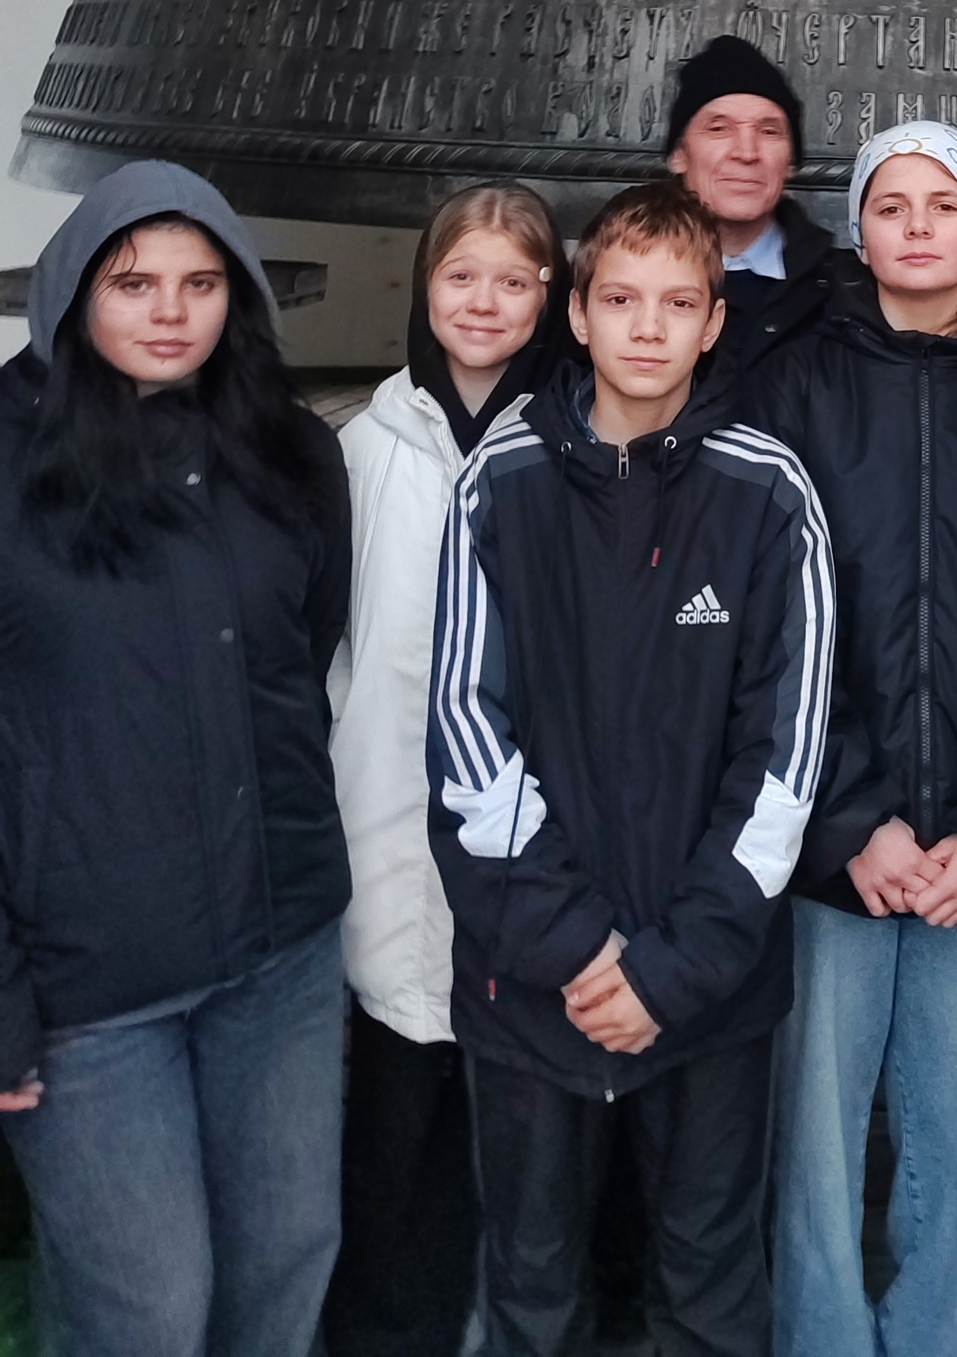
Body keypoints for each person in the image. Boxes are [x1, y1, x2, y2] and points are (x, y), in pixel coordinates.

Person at [427, 178, 834, 1356]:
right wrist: (577, 947)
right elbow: (465, 728)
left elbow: (784, 761)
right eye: (620, 298)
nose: (648, 327)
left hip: (707, 995)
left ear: (714, 322)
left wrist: (672, 965)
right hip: (531, 989)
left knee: (708, 1294)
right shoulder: (498, 481)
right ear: (578, 313)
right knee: (533, 1291)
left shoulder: (771, 493)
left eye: (678, 302)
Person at [750, 120, 957, 1357]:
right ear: (859, 226)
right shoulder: (793, 386)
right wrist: (854, 821)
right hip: (833, 855)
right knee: (813, 1161)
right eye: (890, 205)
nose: (914, 227)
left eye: (941, 204)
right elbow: (775, 627)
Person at [0, 161, 351, 1357]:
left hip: (280, 953)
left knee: (284, 1264)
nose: (169, 310)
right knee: (147, 1309)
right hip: (89, 988)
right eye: (133, 281)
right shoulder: (10, 462)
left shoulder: (289, 452)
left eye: (202, 282)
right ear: (71, 290)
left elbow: (301, 656)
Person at [325, 182, 572, 1357]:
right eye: (461, 274)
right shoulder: (359, 453)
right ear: (424, 285)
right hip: (380, 842)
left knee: (517, 1157)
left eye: (515, 280)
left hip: (529, 863)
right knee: (389, 1140)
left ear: (551, 298)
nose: (484, 300)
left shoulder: (575, 449)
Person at [665, 33, 844, 400]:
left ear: (790, 161)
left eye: (769, 131)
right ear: (679, 155)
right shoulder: (614, 283)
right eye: (719, 128)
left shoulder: (846, 294)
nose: (747, 152)